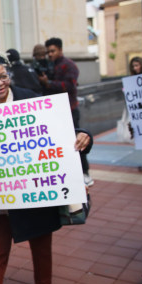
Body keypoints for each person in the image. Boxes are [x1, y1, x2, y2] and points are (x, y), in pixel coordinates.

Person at [0, 51, 92, 284]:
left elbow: (62, 132)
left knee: (41, 243)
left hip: (35, 192)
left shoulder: (33, 101)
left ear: (9, 76)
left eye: (3, 76)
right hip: (0, 198)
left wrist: (83, 135)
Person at [37, 37, 93, 187]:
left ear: (60, 50)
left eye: (53, 51)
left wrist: (48, 82)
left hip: (70, 110)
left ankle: (85, 173)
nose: (50, 54)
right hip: (54, 112)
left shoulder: (69, 65)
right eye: (48, 51)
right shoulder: (49, 65)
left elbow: (69, 85)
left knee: (77, 142)